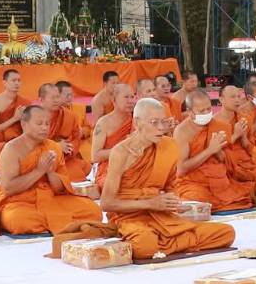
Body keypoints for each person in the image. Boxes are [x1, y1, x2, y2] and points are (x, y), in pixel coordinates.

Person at [100, 98, 236, 259]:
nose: (161, 128)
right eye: (154, 122)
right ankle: (170, 244)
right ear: (138, 123)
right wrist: (149, 203)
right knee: (145, 245)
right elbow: (106, 203)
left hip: (161, 216)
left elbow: (170, 186)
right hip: (129, 217)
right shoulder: (121, 152)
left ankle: (163, 245)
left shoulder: (169, 146)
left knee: (226, 233)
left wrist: (173, 202)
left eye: (164, 122)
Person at [0, 105, 103, 234]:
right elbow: (8, 188)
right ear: (24, 125)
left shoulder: (53, 147)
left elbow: (60, 189)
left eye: (47, 123)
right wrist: (39, 171)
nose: (44, 127)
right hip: (21, 202)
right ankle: (65, 223)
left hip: (51, 199)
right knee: (17, 220)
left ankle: (52, 224)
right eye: (39, 123)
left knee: (93, 210)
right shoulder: (11, 149)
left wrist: (50, 172)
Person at [174, 89, 255, 211]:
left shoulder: (218, 125)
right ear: (190, 112)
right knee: (197, 198)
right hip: (194, 182)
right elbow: (181, 169)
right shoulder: (182, 131)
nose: (207, 113)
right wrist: (210, 150)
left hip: (220, 179)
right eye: (202, 111)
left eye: (208, 109)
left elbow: (226, 160)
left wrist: (219, 151)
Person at [36, 83, 89, 184]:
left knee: (79, 175)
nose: (56, 100)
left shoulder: (70, 116)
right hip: (41, 160)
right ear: (41, 100)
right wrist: (56, 146)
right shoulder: (33, 117)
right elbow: (30, 142)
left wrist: (69, 148)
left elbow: (76, 138)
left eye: (57, 97)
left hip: (65, 159)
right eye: (52, 98)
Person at [91, 82, 137, 187]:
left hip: (134, 165)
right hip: (110, 167)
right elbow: (95, 156)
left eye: (132, 97)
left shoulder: (137, 119)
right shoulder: (103, 123)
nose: (131, 101)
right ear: (114, 100)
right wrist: (121, 150)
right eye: (126, 97)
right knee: (115, 184)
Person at [0, 70, 30, 156]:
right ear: (4, 83)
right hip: (3, 140)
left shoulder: (25, 102)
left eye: (19, 80)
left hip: (21, 138)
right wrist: (14, 118)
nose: (17, 83)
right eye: (13, 80)